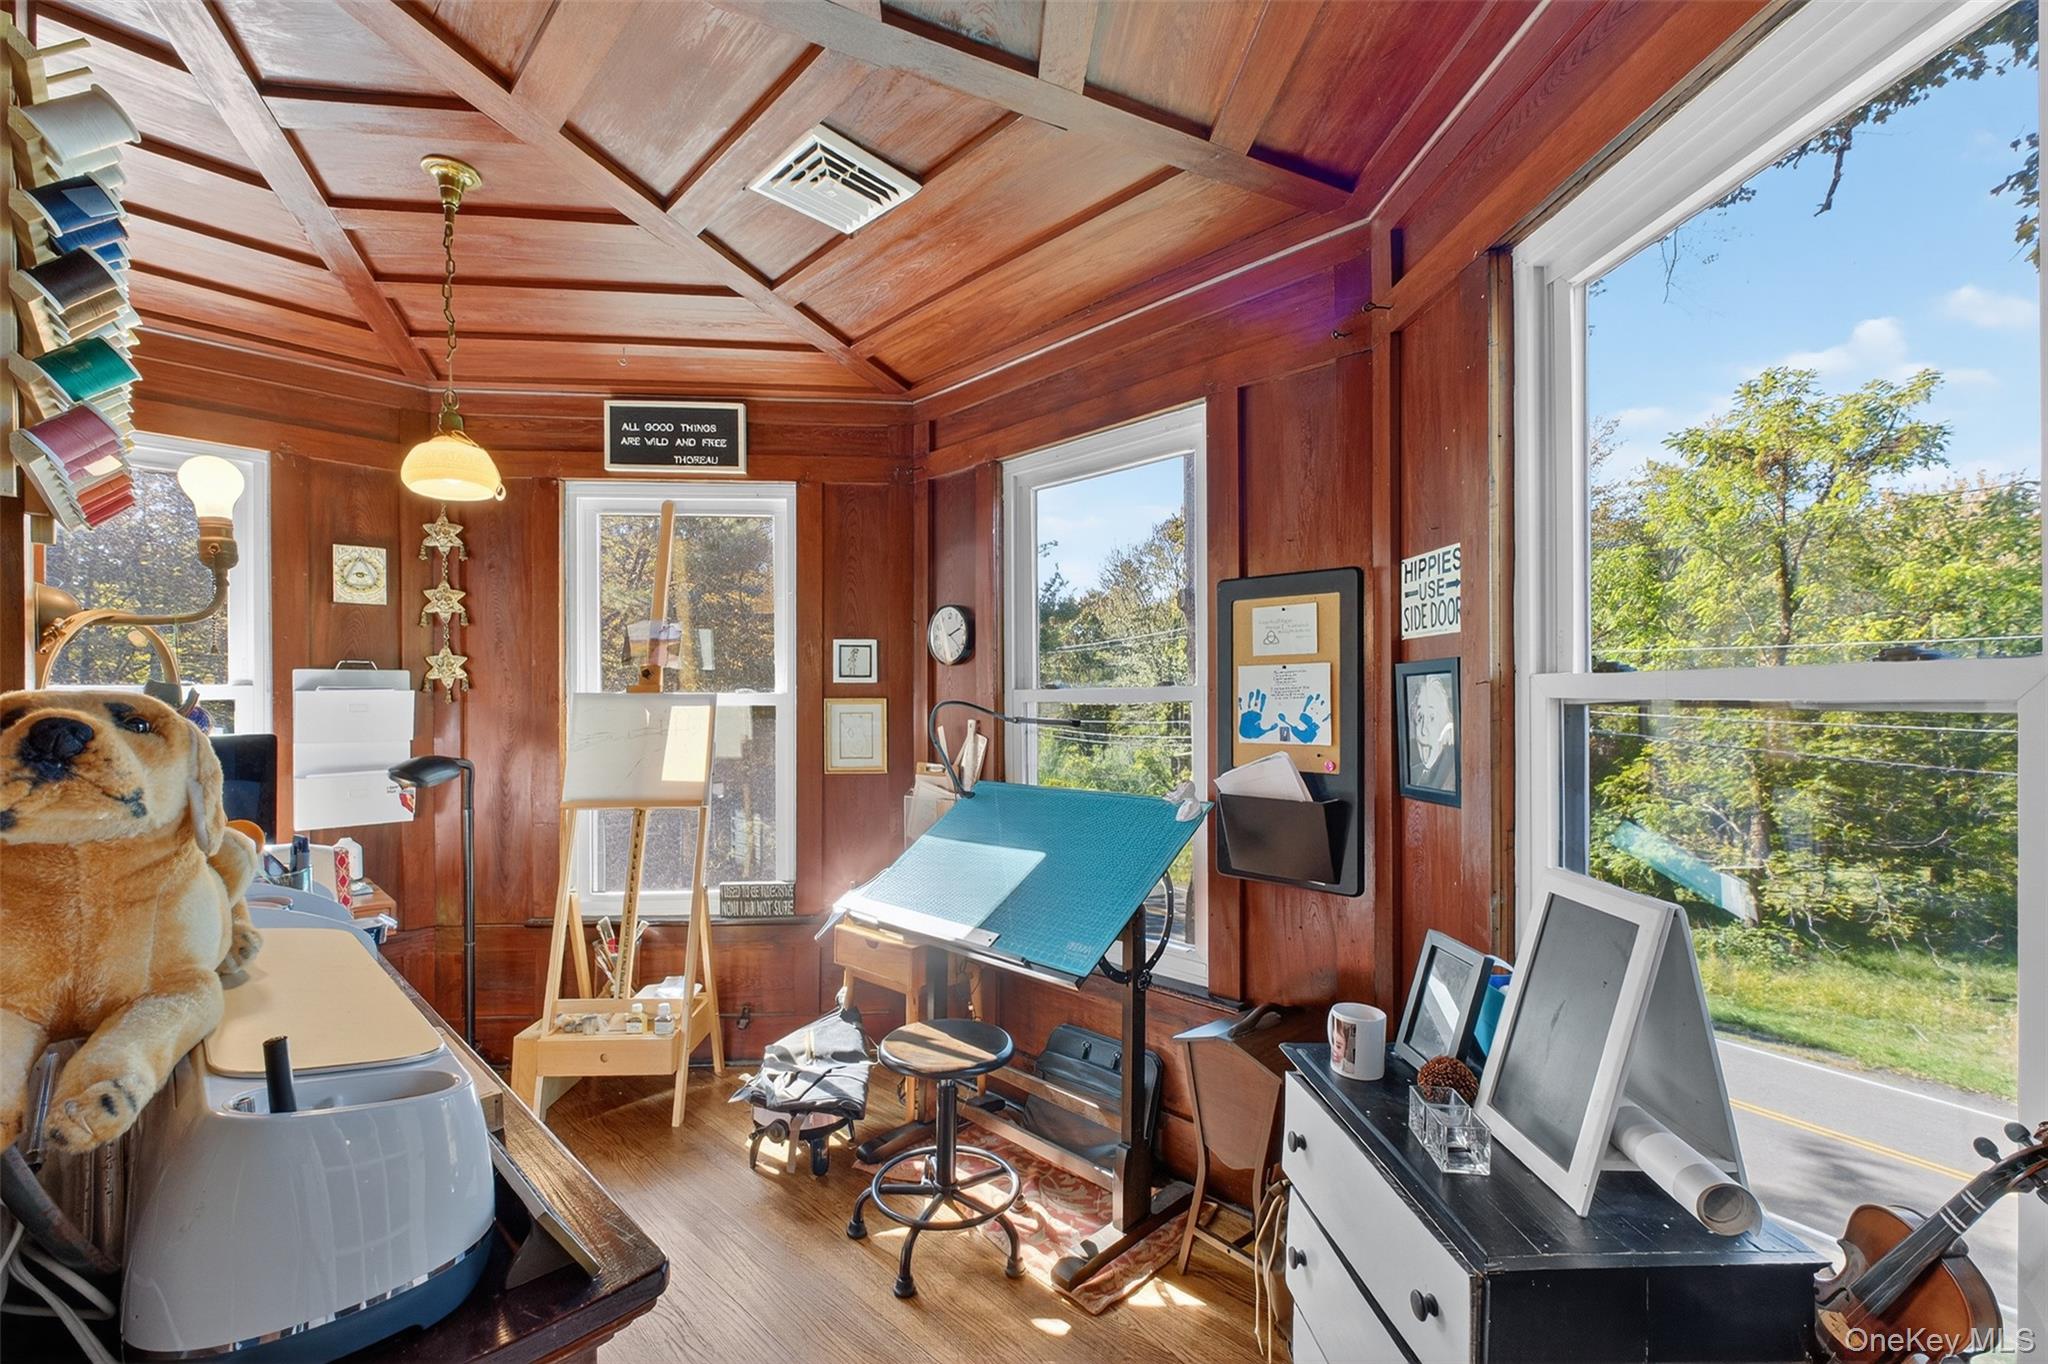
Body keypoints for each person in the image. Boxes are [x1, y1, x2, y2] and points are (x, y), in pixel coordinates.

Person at [1409, 673, 1457, 792]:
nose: (1423, 731)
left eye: (1432, 718)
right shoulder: (1414, 774)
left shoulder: (1455, 774)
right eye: (1420, 718)